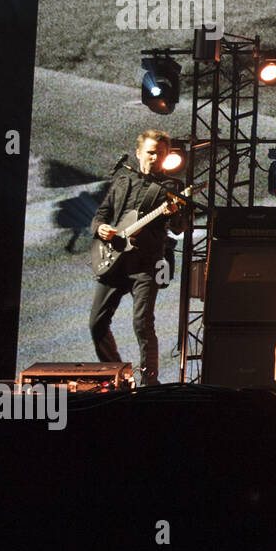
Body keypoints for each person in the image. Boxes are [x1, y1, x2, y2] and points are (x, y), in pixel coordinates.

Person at [89, 130, 185, 386]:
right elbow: (100, 215)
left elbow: (179, 227)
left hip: (145, 265)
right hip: (113, 262)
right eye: (152, 152)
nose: (156, 157)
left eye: (162, 154)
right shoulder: (122, 180)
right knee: (97, 323)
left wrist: (175, 212)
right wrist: (100, 228)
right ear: (139, 153)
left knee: (142, 323)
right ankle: (114, 373)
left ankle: (149, 381)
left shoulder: (171, 188)